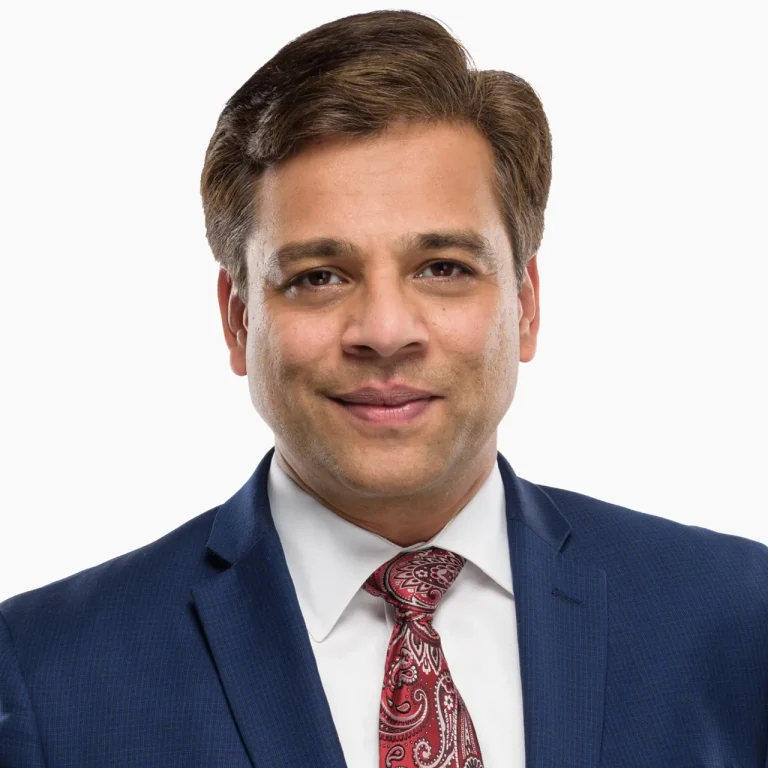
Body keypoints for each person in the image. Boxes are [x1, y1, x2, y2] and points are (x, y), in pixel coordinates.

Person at [1, 9, 766, 768]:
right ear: (238, 322)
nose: (385, 329)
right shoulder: (45, 676)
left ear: (526, 306)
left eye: (443, 268)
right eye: (319, 277)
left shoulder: (738, 617)